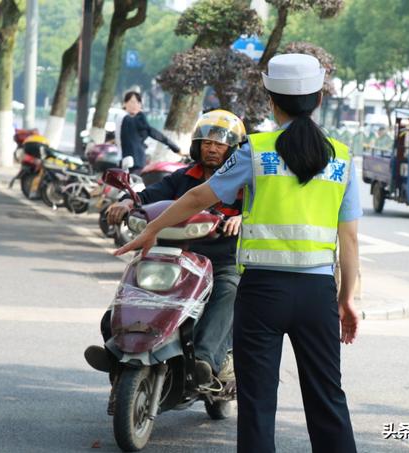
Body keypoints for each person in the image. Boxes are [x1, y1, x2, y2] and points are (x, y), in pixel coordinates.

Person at [113, 54, 361, 453]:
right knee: (327, 397)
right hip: (317, 296)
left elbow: (198, 195)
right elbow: (348, 241)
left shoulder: (257, 151)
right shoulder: (343, 157)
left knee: (258, 401)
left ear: (271, 100)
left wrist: (154, 228)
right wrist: (347, 299)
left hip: (262, 292)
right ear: (317, 100)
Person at [85, 109, 246, 402]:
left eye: (220, 144)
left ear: (233, 149)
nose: (212, 148)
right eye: (207, 142)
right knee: (134, 283)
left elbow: (259, 210)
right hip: (176, 254)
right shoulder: (183, 177)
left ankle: (205, 362)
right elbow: (148, 195)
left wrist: (244, 219)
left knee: (228, 289)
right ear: (197, 145)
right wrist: (124, 201)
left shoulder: (243, 182)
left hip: (221, 259)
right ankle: (115, 347)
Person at [119, 91, 181, 174]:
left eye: (138, 102)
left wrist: (175, 147)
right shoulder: (126, 118)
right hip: (129, 161)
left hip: (135, 162)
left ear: (140, 105)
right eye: (132, 102)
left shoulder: (136, 120)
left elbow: (153, 133)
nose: (135, 105)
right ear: (125, 103)